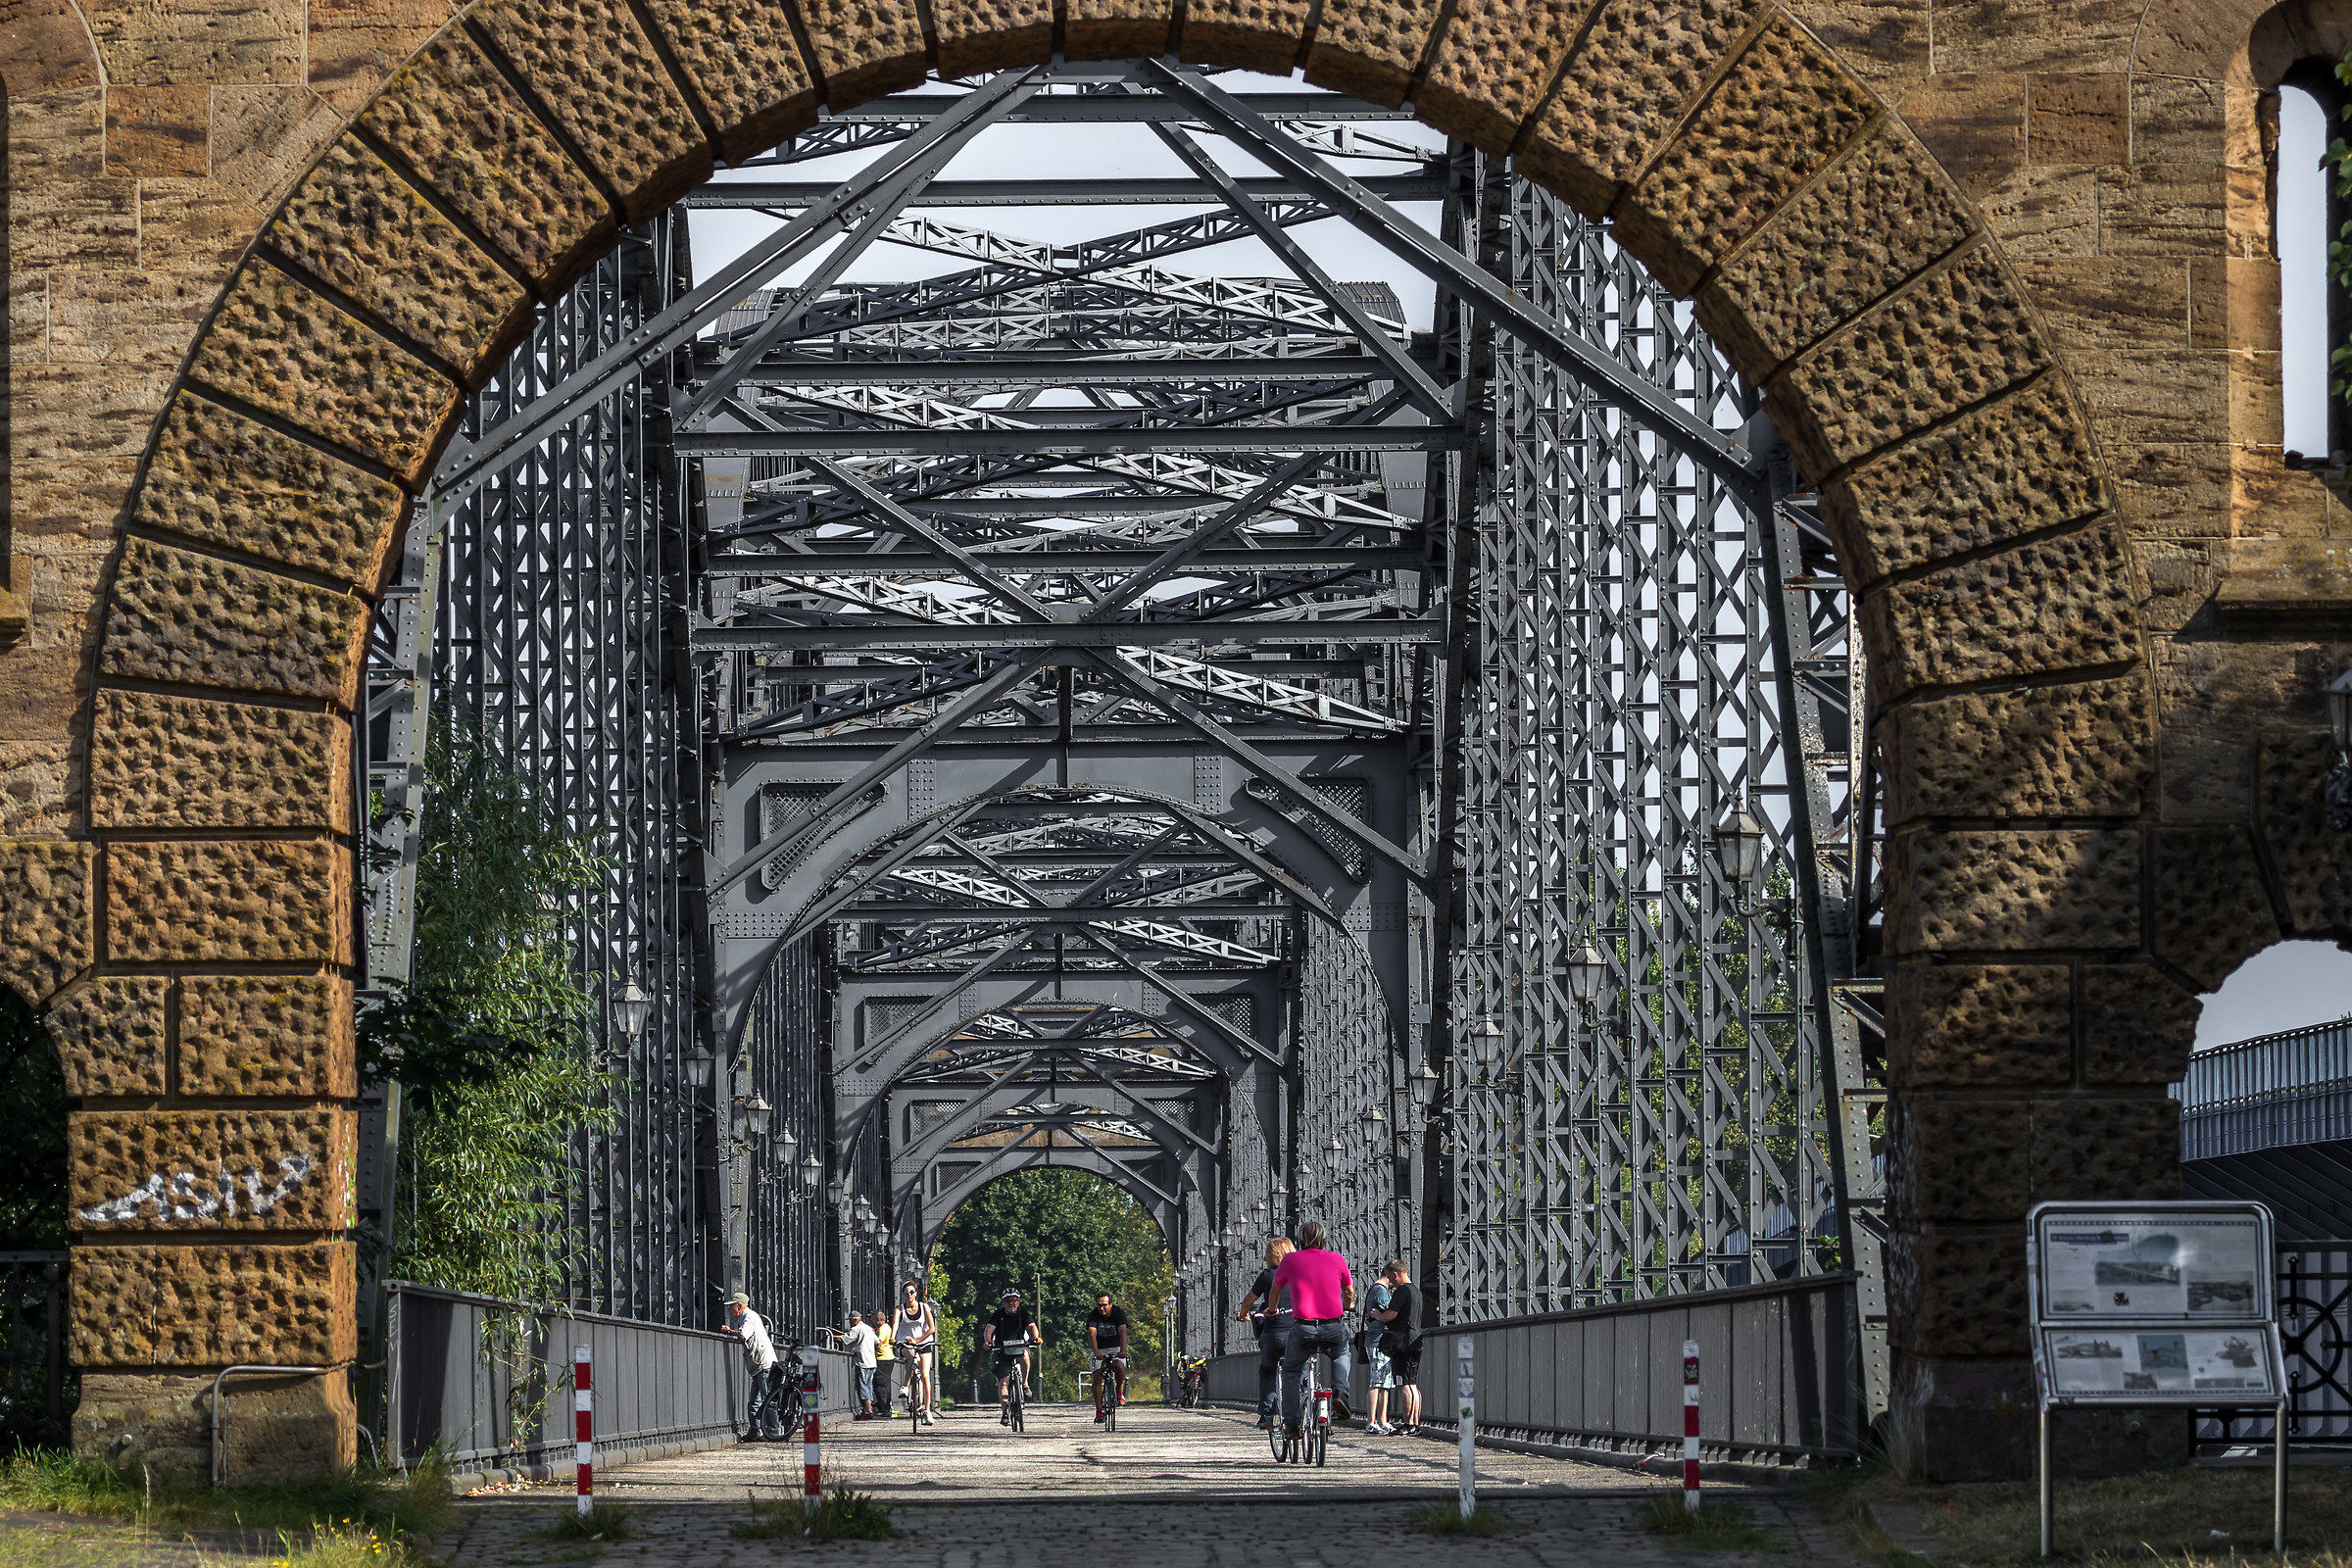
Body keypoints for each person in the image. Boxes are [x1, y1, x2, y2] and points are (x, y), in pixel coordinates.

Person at [1267, 1219, 1354, 1439]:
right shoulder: (1336, 1258)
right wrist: (1347, 1303)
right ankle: (1340, 1393)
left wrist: (1272, 1309)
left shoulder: (1290, 1260)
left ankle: (1291, 1424)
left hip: (1303, 1327)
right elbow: (1349, 1290)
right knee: (1341, 1353)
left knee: (1291, 1371)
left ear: (1300, 1239)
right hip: (1333, 1325)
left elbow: (1275, 1291)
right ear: (1323, 1238)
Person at [1233, 1236, 1294, 1430]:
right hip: (1297, 1332)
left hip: (1274, 1333)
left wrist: (1242, 1315)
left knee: (1267, 1370)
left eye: (1267, 1254)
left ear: (1275, 1255)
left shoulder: (1268, 1275)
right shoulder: (1300, 1274)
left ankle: (1267, 1414)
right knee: (1298, 1367)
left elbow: (1249, 1301)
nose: (1265, 1258)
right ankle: (1300, 1405)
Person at [1370, 1257, 1424, 1434]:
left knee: (1403, 1384)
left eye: (1390, 1278)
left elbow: (1391, 1315)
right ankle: (1414, 1424)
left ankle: (1408, 1424)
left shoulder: (1401, 1291)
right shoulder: (1416, 1291)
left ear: (1396, 1274)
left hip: (1403, 1343)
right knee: (1413, 1384)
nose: (1390, 1282)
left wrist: (1379, 1315)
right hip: (1416, 1340)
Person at [724, 1291, 785, 1440]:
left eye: (731, 1307)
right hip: (757, 1366)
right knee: (754, 1401)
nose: (729, 1310)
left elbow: (744, 1334)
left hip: (763, 1364)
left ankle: (773, 1431)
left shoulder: (749, 1317)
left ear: (739, 1306)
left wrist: (729, 1331)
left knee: (767, 1399)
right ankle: (755, 1430)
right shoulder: (746, 1317)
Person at [981, 1286, 1042, 1424]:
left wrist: (1036, 1337)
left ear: (1018, 1302)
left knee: (1025, 1356)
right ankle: (1004, 1414)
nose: (1011, 1303)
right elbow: (988, 1330)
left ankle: (1025, 1384)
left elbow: (1032, 1327)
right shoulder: (997, 1315)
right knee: (1003, 1382)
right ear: (1003, 1302)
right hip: (1001, 1351)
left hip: (1019, 1348)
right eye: (1008, 1300)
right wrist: (988, 1341)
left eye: (1014, 1300)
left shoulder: (1023, 1314)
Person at [895, 1282, 939, 1426]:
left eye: (912, 1292)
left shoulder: (924, 1307)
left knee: (925, 1375)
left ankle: (927, 1411)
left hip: (923, 1342)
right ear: (903, 1294)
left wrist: (918, 1340)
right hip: (906, 1342)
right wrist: (892, 1337)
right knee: (912, 1357)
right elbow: (895, 1324)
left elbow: (932, 1329)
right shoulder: (899, 1309)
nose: (909, 1295)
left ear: (916, 1294)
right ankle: (906, 1386)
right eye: (906, 1292)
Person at [1084, 1290, 1131, 1421]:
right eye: (1099, 1305)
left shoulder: (1118, 1313)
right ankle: (1099, 1411)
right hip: (1099, 1349)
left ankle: (1119, 1390)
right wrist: (1097, 1352)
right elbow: (1092, 1334)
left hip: (1116, 1347)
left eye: (1104, 1305)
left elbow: (1122, 1333)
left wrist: (1122, 1351)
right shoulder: (1093, 1315)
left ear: (1110, 1304)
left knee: (1119, 1366)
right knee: (1097, 1376)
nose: (1101, 1308)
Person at [1362, 1264, 1396, 1434]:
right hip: (1378, 1341)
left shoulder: (1374, 1289)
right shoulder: (1381, 1291)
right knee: (1377, 1383)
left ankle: (1382, 1420)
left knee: (1384, 1383)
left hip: (1377, 1340)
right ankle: (1372, 1421)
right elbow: (1389, 1313)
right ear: (1389, 1276)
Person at [844, 1309, 878, 1418]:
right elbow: (878, 1343)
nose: (849, 1323)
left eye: (850, 1320)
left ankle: (868, 1410)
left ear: (855, 1320)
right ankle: (870, 1407)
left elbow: (845, 1339)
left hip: (862, 1361)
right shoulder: (869, 1328)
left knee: (862, 1386)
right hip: (872, 1362)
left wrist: (831, 1336)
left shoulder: (856, 1328)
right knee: (869, 1385)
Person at [874, 1304, 897, 1413]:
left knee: (880, 1384)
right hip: (888, 1358)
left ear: (878, 1319)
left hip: (882, 1359)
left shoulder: (882, 1329)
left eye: (873, 1320)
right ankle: (886, 1407)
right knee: (886, 1384)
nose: (872, 1322)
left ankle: (883, 1408)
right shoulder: (888, 1327)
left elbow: (879, 1344)